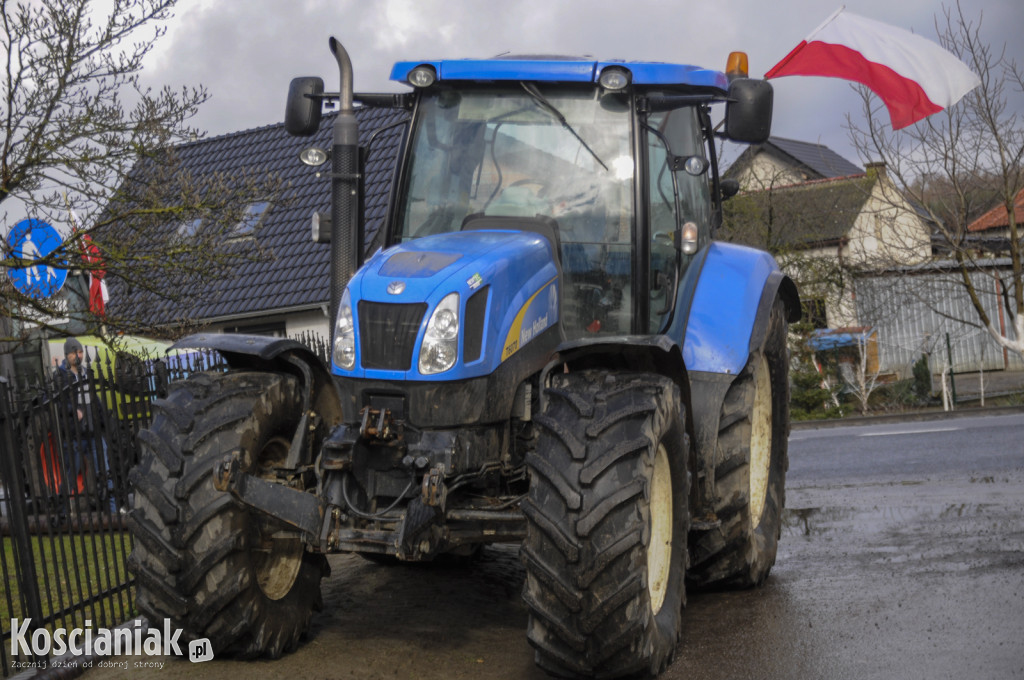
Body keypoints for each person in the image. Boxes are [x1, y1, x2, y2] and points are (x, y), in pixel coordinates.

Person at [52, 337, 115, 514]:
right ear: (67, 355)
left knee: (105, 471)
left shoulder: (88, 373)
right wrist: (74, 411)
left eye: (79, 352)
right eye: (74, 353)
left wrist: (104, 419)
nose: (78, 355)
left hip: (93, 431)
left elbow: (95, 398)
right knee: (72, 474)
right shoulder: (60, 376)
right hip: (75, 434)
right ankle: (62, 512)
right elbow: (57, 402)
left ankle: (112, 511)